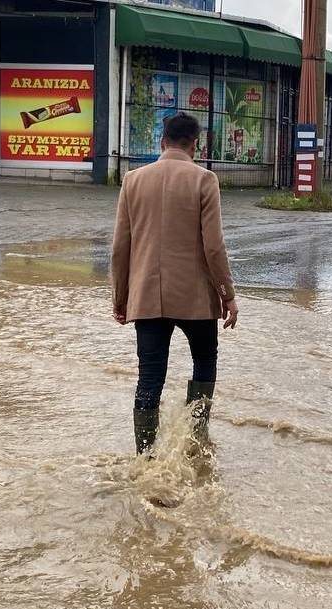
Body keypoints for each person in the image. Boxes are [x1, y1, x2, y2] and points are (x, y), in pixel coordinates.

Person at [111, 113, 239, 455]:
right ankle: (196, 440)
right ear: (194, 145)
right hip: (196, 298)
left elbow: (120, 247)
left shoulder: (133, 180)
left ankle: (145, 455)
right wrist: (227, 295)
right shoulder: (204, 180)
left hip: (147, 296)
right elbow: (213, 246)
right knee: (204, 360)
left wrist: (121, 298)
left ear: (162, 141)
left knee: (149, 377)